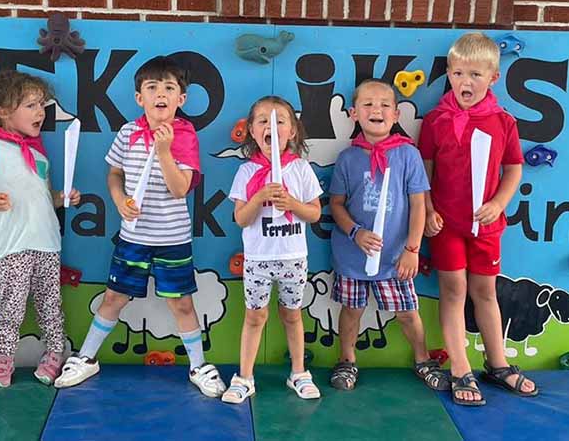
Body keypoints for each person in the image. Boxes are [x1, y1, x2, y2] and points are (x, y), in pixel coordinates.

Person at [53, 56, 226, 398]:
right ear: (139, 98)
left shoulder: (185, 135)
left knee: (182, 304)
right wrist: (118, 200)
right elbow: (114, 173)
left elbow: (180, 189)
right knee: (114, 296)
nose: (160, 93)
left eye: (169, 88)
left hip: (172, 239)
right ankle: (86, 357)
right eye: (152, 87)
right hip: (133, 238)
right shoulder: (128, 132)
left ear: (182, 98)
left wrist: (164, 150)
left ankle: (198, 365)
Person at [419, 32, 536, 406]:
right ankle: (459, 367)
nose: (464, 82)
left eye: (474, 75)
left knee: (485, 292)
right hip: (446, 225)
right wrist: (429, 212)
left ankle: (497, 363)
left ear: (493, 78)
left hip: (486, 225)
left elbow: (514, 168)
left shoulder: (503, 121)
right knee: (453, 291)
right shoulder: (436, 119)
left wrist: (499, 202)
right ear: (448, 74)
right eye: (457, 74)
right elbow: (423, 171)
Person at [328, 79, 449, 393]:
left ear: (396, 114)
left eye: (384, 104)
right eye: (367, 104)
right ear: (354, 113)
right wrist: (355, 232)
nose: (376, 110)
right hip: (354, 256)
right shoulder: (347, 158)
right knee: (351, 310)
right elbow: (336, 204)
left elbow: (418, 203)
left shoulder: (408, 155)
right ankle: (346, 360)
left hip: (396, 257)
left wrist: (412, 249)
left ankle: (423, 359)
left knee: (408, 313)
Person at [0, 70, 80, 387]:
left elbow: (45, 198)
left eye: (41, 105)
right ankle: (3, 360)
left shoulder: (38, 153)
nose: (40, 112)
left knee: (50, 305)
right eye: (30, 105)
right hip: (10, 246)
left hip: (46, 242)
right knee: (11, 307)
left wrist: (63, 198)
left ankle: (54, 354)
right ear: (3, 112)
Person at [222, 95, 323, 403]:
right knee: (255, 317)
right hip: (258, 260)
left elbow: (315, 213)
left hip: (293, 258)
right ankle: (245, 377)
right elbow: (240, 218)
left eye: (280, 121)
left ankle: (298, 372)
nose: (271, 126)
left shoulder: (302, 169)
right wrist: (259, 198)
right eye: (263, 120)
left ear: (292, 131)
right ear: (252, 131)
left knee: (292, 315)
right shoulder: (246, 173)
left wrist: (291, 203)